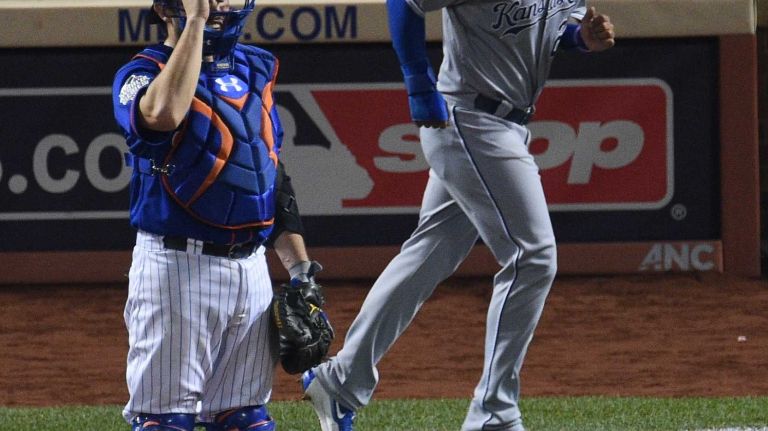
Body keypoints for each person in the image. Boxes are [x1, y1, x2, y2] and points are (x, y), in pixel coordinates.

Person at [300, 0, 615, 430]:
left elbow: (554, 22)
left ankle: (339, 381)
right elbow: (404, 3)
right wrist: (417, 82)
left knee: (428, 253)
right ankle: (494, 413)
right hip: (469, 117)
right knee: (533, 255)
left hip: (504, 121)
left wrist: (581, 38)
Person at [112, 1, 321, 429]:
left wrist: (301, 271)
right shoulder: (140, 74)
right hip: (178, 270)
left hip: (252, 270)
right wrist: (195, 23)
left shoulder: (255, 68)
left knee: (245, 419)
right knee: (165, 421)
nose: (216, 4)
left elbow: (267, 175)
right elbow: (162, 115)